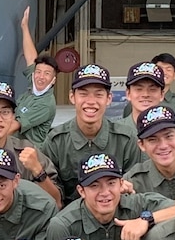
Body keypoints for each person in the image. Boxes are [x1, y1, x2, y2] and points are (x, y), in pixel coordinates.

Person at [39, 63, 139, 193]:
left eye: (98, 94)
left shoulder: (126, 139)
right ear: (72, 97)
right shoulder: (56, 141)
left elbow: (136, 186)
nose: (91, 101)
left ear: (109, 99)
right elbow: (51, 195)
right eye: (83, 94)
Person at [123, 105, 175, 199]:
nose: (163, 146)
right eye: (153, 140)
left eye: (168, 136)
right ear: (141, 145)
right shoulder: (134, 180)